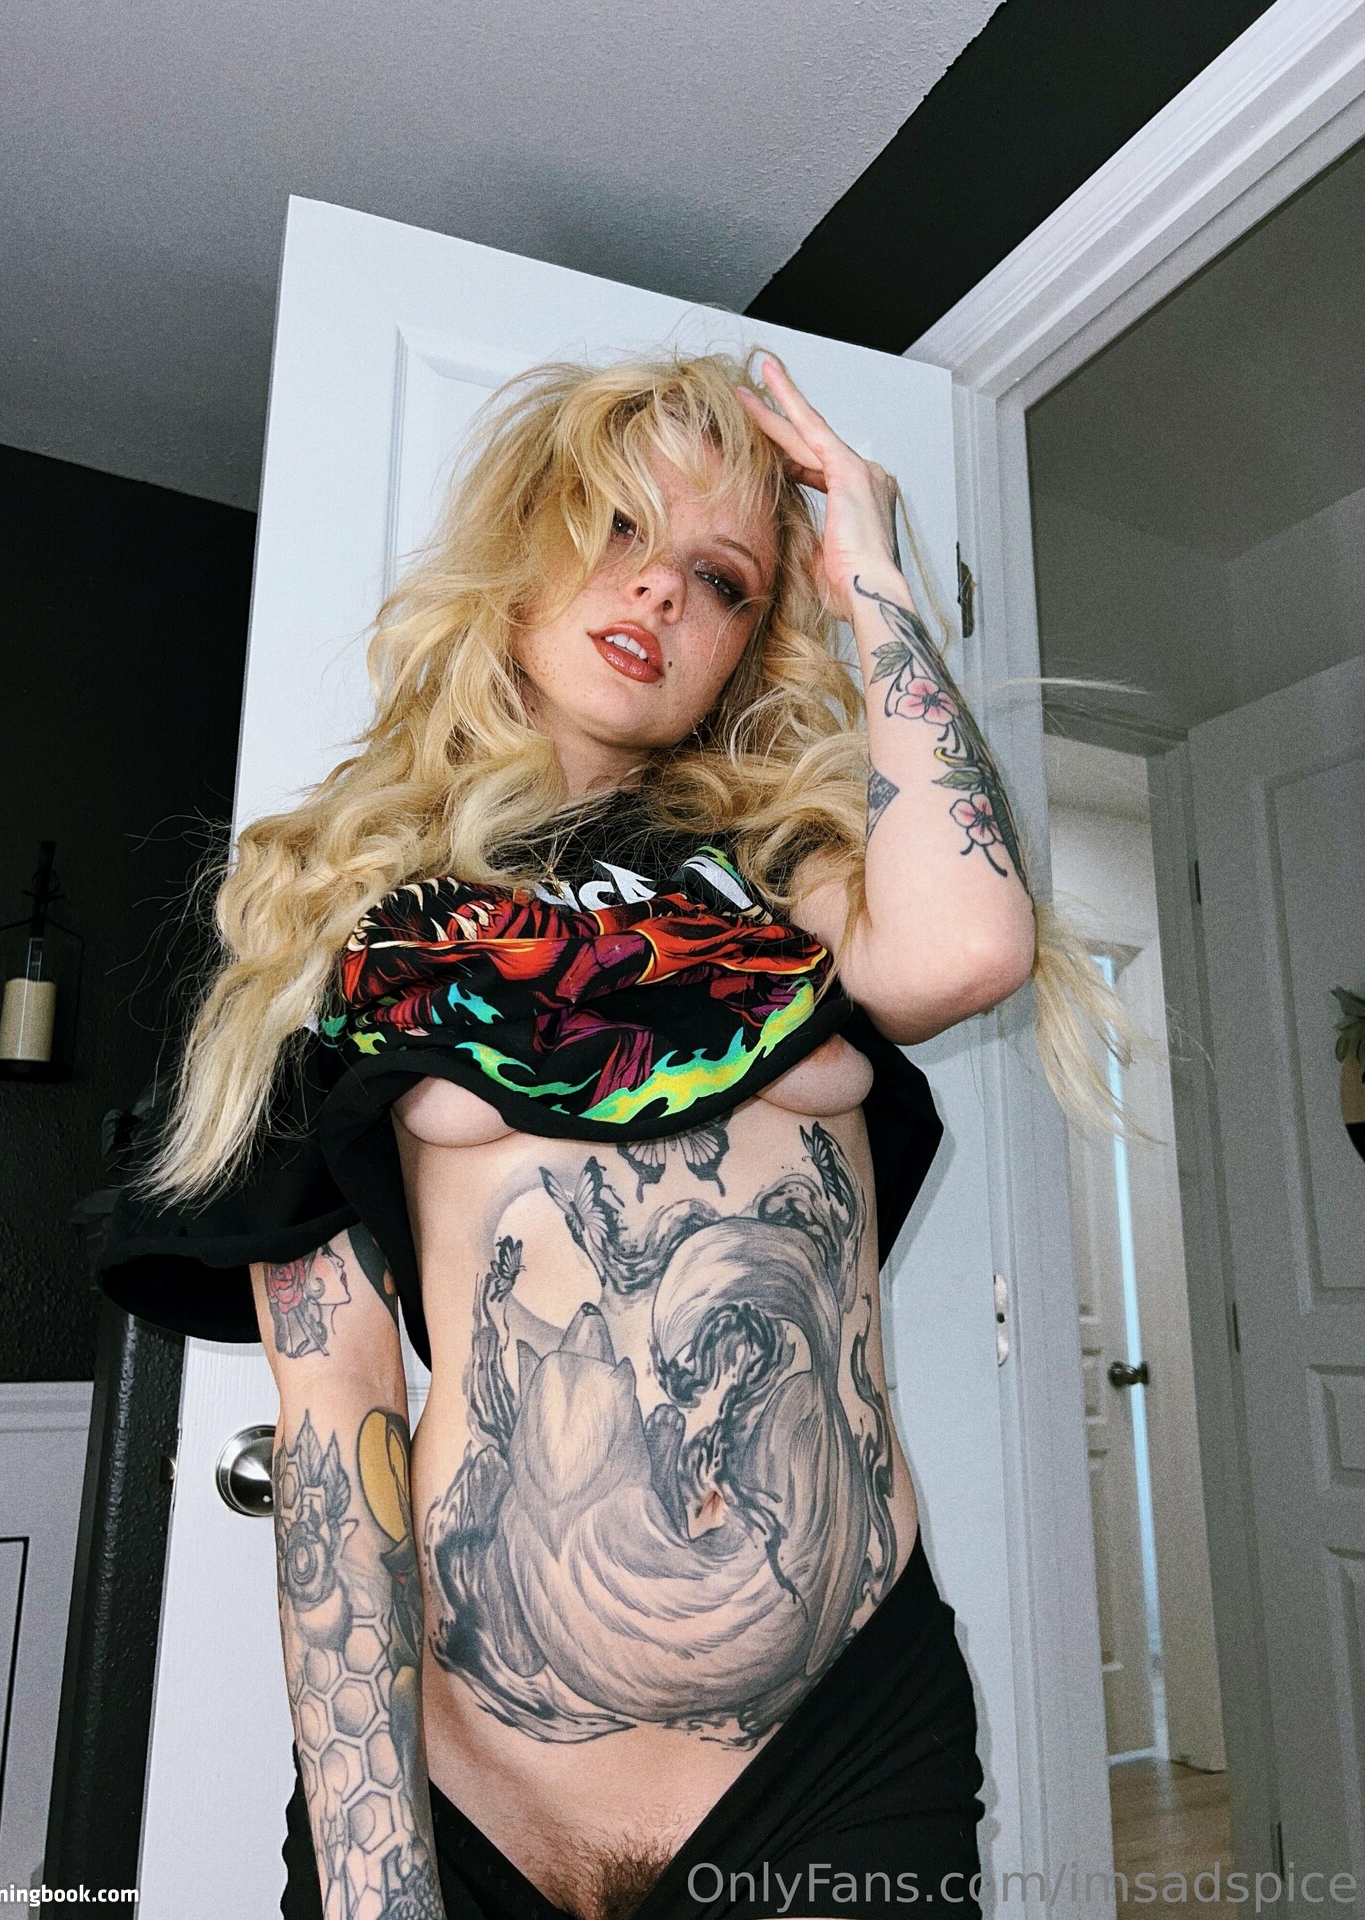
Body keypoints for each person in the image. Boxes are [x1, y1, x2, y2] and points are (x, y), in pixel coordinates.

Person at [97, 350, 1109, 1920]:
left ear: (751, 637)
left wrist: (869, 562)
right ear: (522, 545)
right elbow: (336, 1414)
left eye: (722, 578)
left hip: (837, 1755)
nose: (659, 590)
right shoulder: (349, 912)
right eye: (618, 523)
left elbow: (971, 946)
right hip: (464, 1788)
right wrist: (377, 1885)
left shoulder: (792, 871)